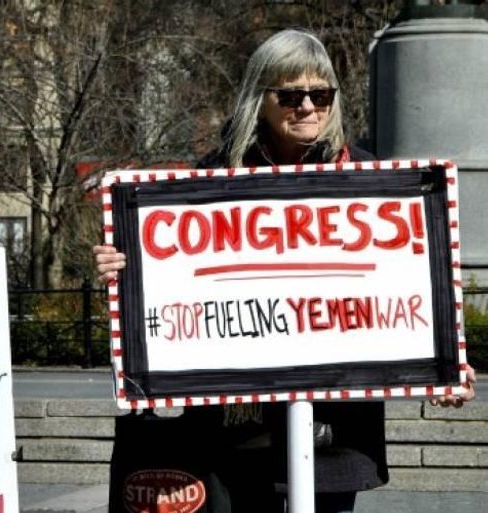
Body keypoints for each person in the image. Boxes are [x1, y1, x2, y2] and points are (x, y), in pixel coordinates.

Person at [94, 28, 477, 513]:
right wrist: (124, 267)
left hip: (334, 439)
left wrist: (446, 361)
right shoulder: (209, 181)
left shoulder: (371, 180)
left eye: (320, 94)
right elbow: (170, 283)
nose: (308, 107)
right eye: (291, 95)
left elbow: (409, 287)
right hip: (236, 438)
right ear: (261, 98)